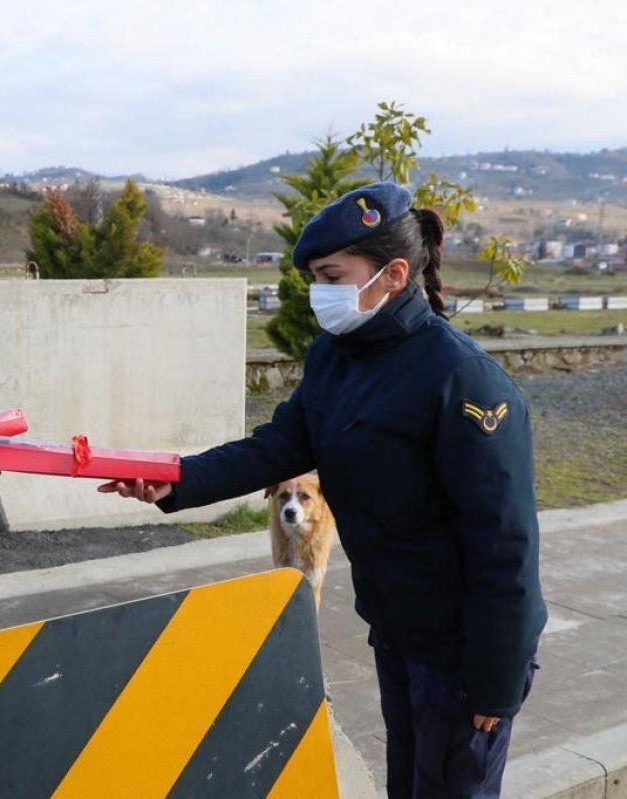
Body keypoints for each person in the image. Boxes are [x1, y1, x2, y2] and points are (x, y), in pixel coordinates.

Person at [100, 182, 545, 798]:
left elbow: (505, 546)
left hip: (463, 658)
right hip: (396, 634)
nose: (318, 292)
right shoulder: (337, 357)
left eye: (332, 275)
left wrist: (497, 680)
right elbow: (276, 447)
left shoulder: (462, 381)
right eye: (314, 275)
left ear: (391, 274)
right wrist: (173, 479)